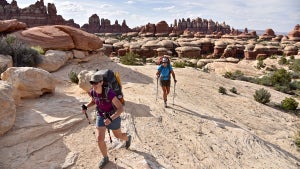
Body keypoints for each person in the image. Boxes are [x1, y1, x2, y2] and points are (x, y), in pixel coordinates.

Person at [82, 73, 131, 169]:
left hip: (113, 116)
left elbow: (120, 109)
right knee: (100, 139)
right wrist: (86, 106)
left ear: (101, 82)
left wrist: (111, 118)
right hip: (101, 116)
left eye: (95, 83)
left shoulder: (109, 93)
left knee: (118, 136)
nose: (93, 85)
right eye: (92, 82)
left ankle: (128, 138)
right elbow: (94, 101)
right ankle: (105, 158)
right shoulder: (93, 92)